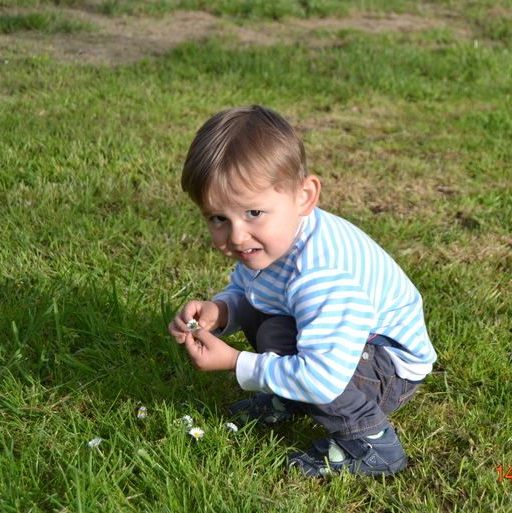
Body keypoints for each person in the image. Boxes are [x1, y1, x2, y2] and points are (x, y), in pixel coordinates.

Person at [170, 105, 436, 477]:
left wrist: (236, 362)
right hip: (348, 346)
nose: (237, 236)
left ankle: (372, 444)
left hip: (386, 370)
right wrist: (221, 311)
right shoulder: (278, 238)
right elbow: (250, 289)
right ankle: (289, 393)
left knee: (279, 339)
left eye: (253, 213)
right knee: (265, 319)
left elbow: (323, 377)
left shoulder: (321, 275)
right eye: (218, 218)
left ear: (304, 196)